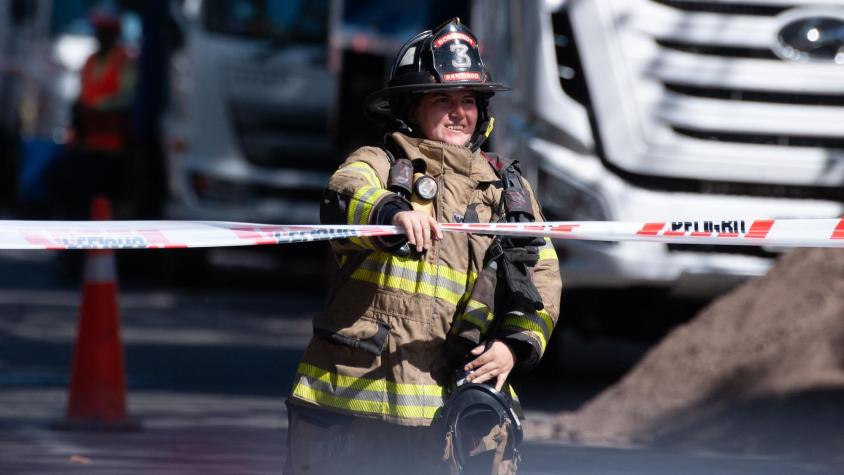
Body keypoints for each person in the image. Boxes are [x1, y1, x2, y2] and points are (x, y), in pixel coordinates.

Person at [285, 18, 562, 475]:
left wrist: (513, 346)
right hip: (354, 409)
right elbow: (344, 192)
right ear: (411, 109)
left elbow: (543, 277)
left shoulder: (508, 193)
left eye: (468, 100)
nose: (459, 113)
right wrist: (392, 213)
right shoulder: (381, 163)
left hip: (454, 417)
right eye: (442, 100)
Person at [46, 4, 136, 218]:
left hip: (111, 148)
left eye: (104, 30)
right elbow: (81, 95)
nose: (98, 35)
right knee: (62, 185)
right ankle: (70, 247)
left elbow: (125, 98)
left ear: (113, 33)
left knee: (108, 199)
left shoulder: (125, 60)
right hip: (85, 143)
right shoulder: (89, 61)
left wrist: (96, 108)